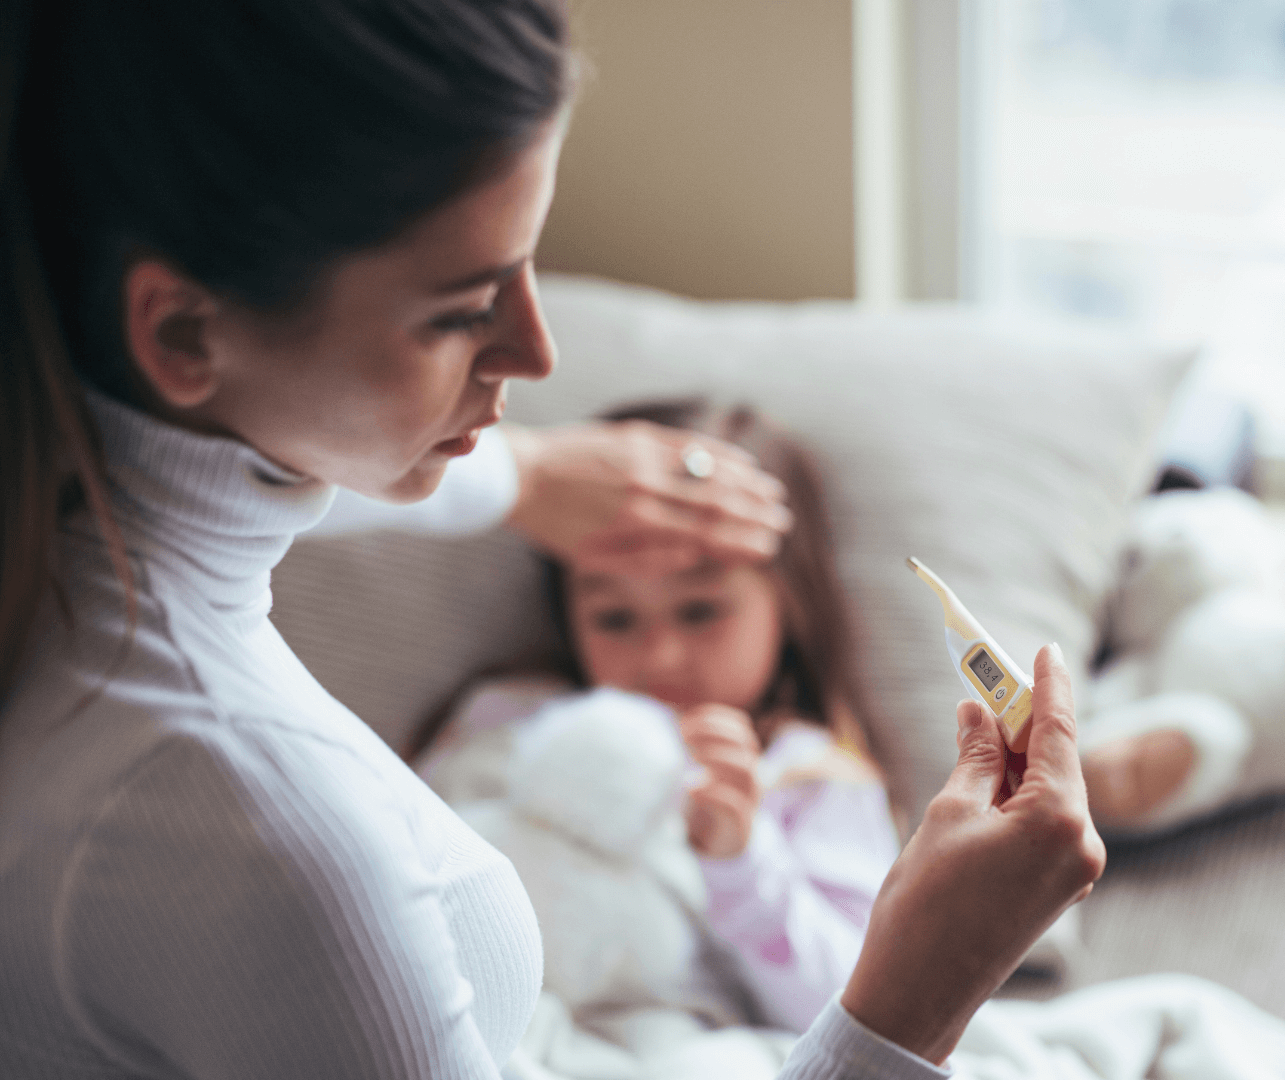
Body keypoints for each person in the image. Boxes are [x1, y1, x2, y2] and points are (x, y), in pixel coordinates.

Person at [0, 3, 1102, 1079]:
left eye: (534, 262)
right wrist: (906, 1013)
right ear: (186, 330)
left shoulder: (66, 547)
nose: (537, 352)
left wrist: (524, 475)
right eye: (459, 309)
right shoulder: (272, 842)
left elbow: (240, 469)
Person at [415, 400, 898, 1036]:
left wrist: (742, 861)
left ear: (790, 601)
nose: (659, 658)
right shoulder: (509, 716)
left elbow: (861, 1010)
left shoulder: (810, 776)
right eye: (614, 618)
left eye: (701, 611)